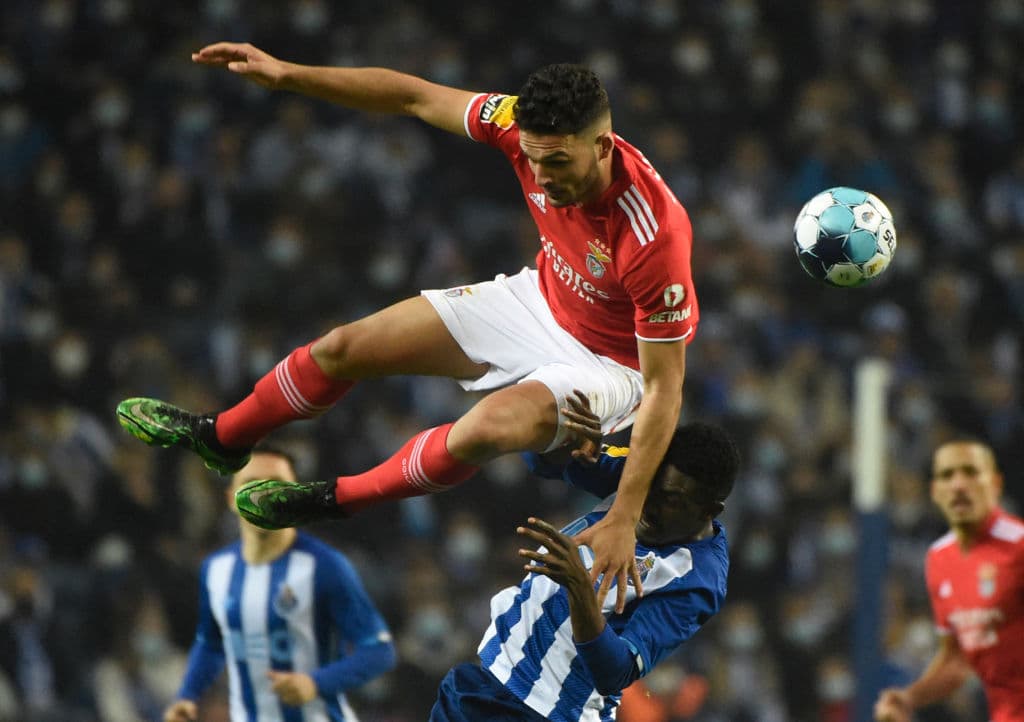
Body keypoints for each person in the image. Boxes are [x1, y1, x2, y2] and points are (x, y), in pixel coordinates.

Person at [117, 42, 700, 611]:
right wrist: (288, 75)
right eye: (533, 157)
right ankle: (221, 438)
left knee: (485, 430)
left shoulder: (653, 234)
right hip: (541, 297)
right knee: (345, 347)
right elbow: (412, 97)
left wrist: (624, 515)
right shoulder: (516, 125)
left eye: (557, 162)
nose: (541, 176)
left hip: (613, 366)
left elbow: (662, 387)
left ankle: (334, 499)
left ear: (601, 146)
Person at [430, 417, 740, 721]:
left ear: (709, 510)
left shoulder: (700, 579)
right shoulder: (639, 472)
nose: (647, 502)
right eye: (651, 485)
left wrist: (579, 587)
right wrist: (569, 442)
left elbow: (615, 672)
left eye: (671, 500)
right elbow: (544, 464)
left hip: (548, 711)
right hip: (484, 680)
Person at [162, 445, 396, 722]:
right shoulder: (216, 570)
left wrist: (315, 682)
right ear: (229, 499)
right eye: (250, 484)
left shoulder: (325, 567)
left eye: (278, 486)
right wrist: (188, 696)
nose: (263, 496)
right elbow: (212, 643)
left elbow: (379, 650)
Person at [873, 438, 1024, 722]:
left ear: (995, 484)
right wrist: (909, 698)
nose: (959, 485)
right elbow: (954, 660)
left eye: (971, 473)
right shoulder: (940, 558)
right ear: (935, 491)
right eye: (947, 476)